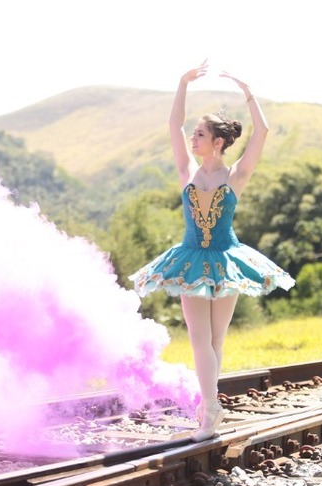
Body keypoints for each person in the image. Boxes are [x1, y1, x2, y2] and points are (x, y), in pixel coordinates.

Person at [128, 61, 293, 442]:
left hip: (226, 260)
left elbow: (262, 131)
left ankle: (209, 409)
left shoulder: (236, 176)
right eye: (195, 133)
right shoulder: (187, 170)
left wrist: (249, 93)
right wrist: (182, 84)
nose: (192, 138)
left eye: (200, 134)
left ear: (217, 142)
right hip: (190, 259)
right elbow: (174, 126)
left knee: (214, 341)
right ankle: (210, 411)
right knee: (202, 338)